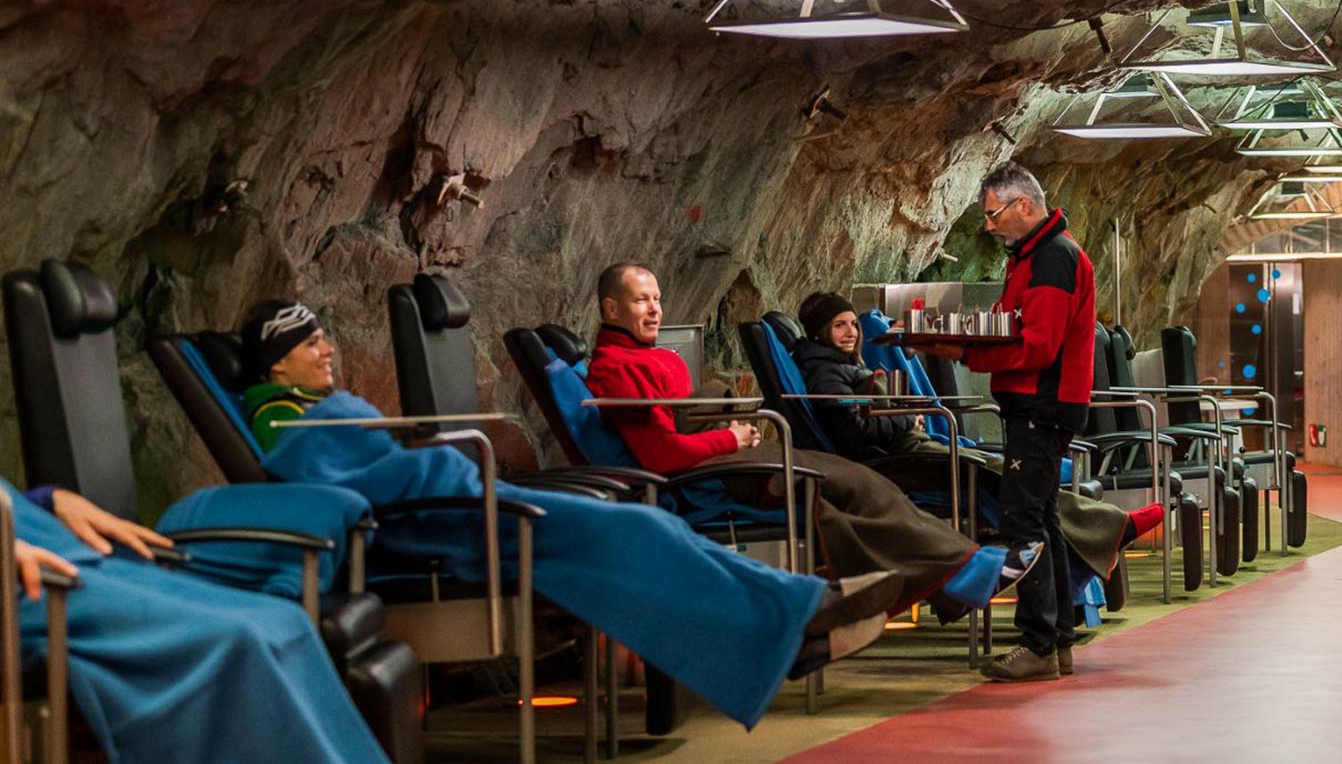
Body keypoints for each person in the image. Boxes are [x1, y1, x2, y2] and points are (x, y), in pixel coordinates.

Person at [235, 299, 903, 726]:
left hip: (462, 510)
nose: (328, 349)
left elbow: (380, 467)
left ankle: (797, 619)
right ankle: (798, 622)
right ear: (277, 363)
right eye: (311, 342)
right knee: (637, 529)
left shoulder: (312, 415)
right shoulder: (285, 423)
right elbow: (353, 488)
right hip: (439, 529)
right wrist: (439, 466)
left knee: (647, 529)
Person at [7, 480, 580, 764]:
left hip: (47, 542)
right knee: (233, 643)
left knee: (281, 623)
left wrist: (46, 500)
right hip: (24, 585)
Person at [583, 265, 1034, 616]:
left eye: (657, 299)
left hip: (730, 461)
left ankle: (965, 574)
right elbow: (661, 454)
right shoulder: (616, 369)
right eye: (641, 300)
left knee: (864, 489)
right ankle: (963, 575)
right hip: (714, 479)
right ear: (611, 309)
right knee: (857, 489)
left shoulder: (657, 360)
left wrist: (730, 433)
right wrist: (730, 438)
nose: (655, 310)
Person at [791, 289, 1163, 573]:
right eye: (839, 325)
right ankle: (1113, 526)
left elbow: (867, 417)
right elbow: (853, 433)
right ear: (821, 332)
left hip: (907, 446)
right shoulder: (826, 372)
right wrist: (907, 418)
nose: (851, 332)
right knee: (997, 473)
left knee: (1007, 472)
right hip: (897, 458)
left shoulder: (842, 365)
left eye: (853, 324)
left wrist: (905, 415)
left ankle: (1107, 530)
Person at [923, 162, 1097, 683]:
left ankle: (1038, 643)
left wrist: (967, 354)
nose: (990, 225)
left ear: (1024, 205)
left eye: (994, 214)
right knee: (1042, 519)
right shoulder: (1030, 257)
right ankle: (1057, 640)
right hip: (1036, 404)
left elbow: (1039, 346)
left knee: (1023, 523)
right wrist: (962, 340)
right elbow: (1012, 323)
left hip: (1042, 404)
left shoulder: (1053, 258)